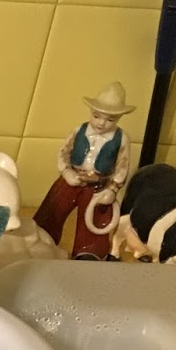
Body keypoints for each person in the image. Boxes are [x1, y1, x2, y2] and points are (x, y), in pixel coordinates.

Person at [33, 81, 135, 260]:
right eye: (97, 116)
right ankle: (41, 241)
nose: (101, 123)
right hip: (72, 178)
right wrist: (67, 172)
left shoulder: (121, 139)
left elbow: (122, 166)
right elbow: (63, 152)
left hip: (98, 186)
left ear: (118, 119)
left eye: (110, 119)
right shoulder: (79, 130)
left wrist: (112, 189)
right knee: (53, 210)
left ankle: (89, 252)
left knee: (94, 220)